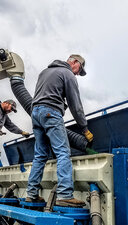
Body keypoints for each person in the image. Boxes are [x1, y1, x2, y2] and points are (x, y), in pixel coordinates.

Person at [26, 54, 93, 207]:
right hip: (50, 112)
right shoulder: (67, 74)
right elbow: (75, 105)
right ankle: (65, 195)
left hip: (35, 113)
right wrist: (84, 128)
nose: (77, 73)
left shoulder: (44, 72)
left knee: (40, 154)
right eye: (79, 69)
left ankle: (31, 194)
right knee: (63, 151)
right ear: (74, 62)